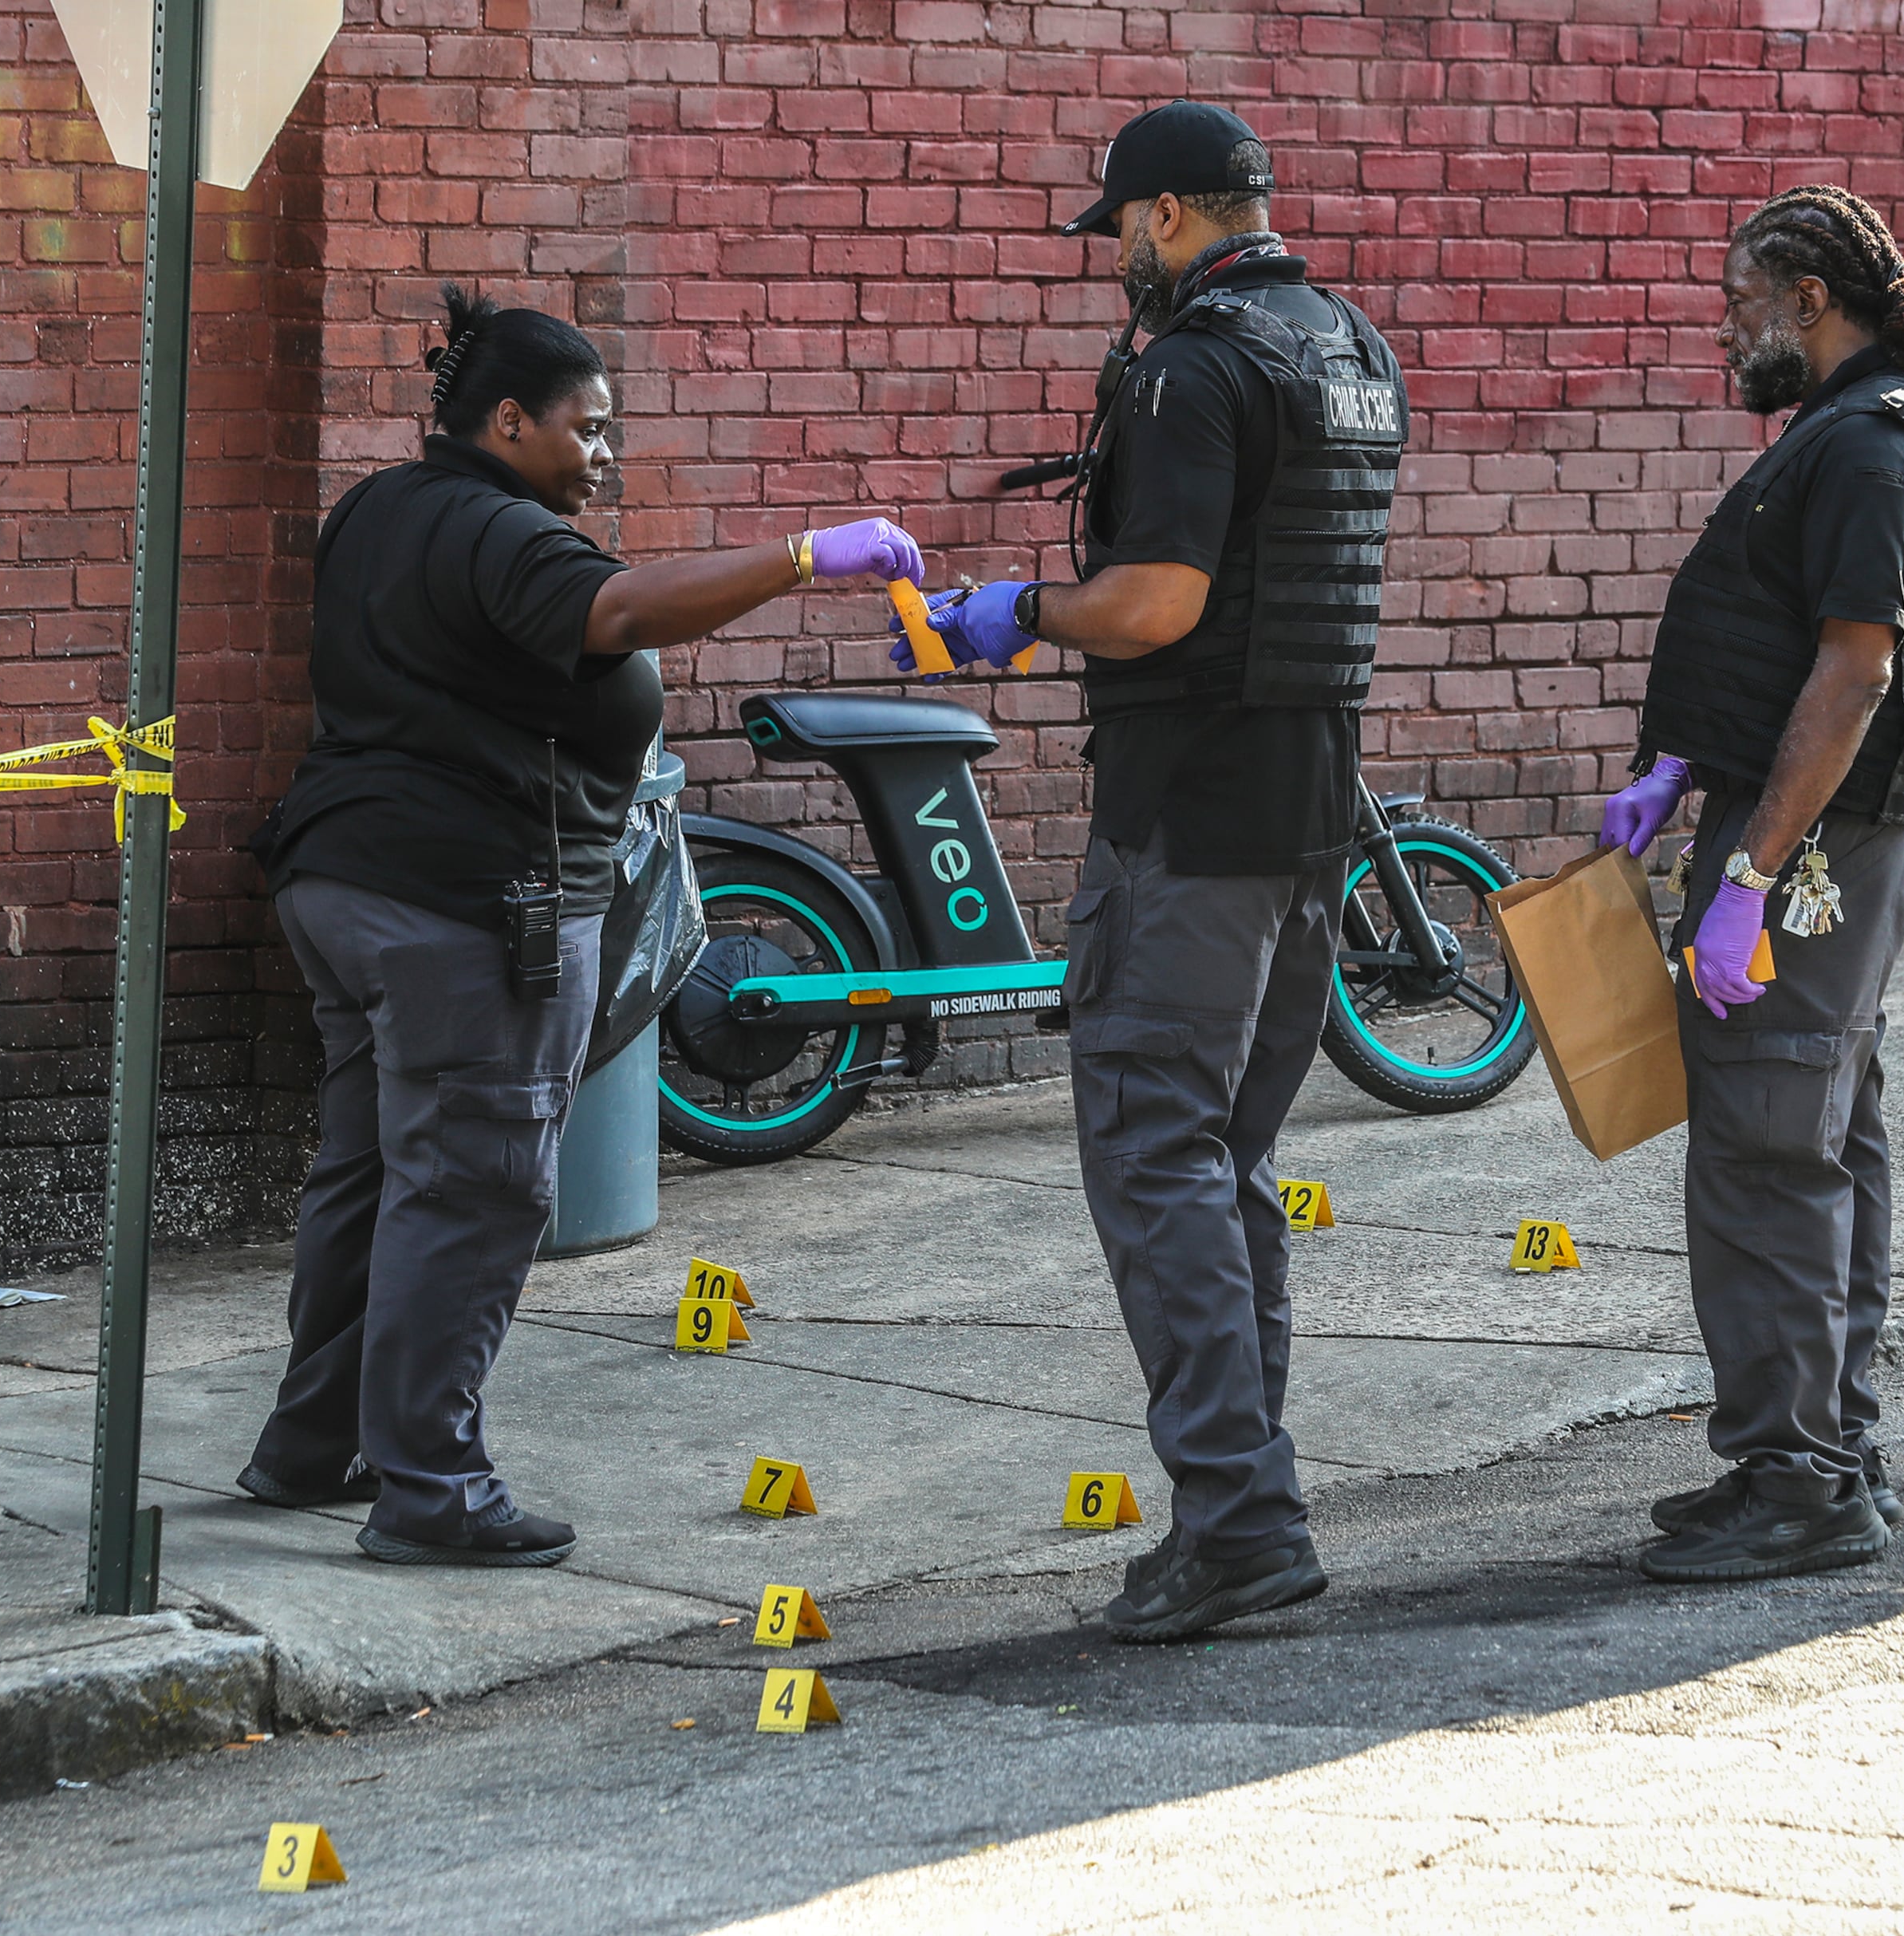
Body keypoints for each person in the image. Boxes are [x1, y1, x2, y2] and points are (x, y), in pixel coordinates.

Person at [242, 285, 924, 1565]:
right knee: (477, 1189)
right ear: (507, 420)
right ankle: (432, 1489)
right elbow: (612, 614)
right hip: (465, 913)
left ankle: (308, 1445)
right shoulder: (509, 537)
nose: (602, 458)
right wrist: (803, 558)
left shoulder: (378, 510)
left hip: (340, 884)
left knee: (373, 1170)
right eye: (587, 431)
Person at [909, 102, 1407, 1641]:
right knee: (1225, 1163)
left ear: (1175, 216)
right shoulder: (1346, 343)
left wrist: (1021, 612)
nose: (1115, 253)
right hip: (1312, 813)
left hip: (1189, 819)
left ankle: (1241, 1517)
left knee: (1153, 1155)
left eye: (1122, 226)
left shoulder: (1197, 367)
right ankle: (1249, 1503)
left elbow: (1161, 603)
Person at [1598, 186, 1904, 1584]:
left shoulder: (1871, 446)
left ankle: (1800, 1478)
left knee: (1769, 1142)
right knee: (1815, 1129)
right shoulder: (1842, 431)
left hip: (1813, 843)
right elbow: (1768, 636)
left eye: (1744, 301)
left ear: (1811, 298)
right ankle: (1815, 1449)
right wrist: (1682, 765)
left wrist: (1750, 871)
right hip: (1792, 823)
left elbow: (1857, 668)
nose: (1731, 327)